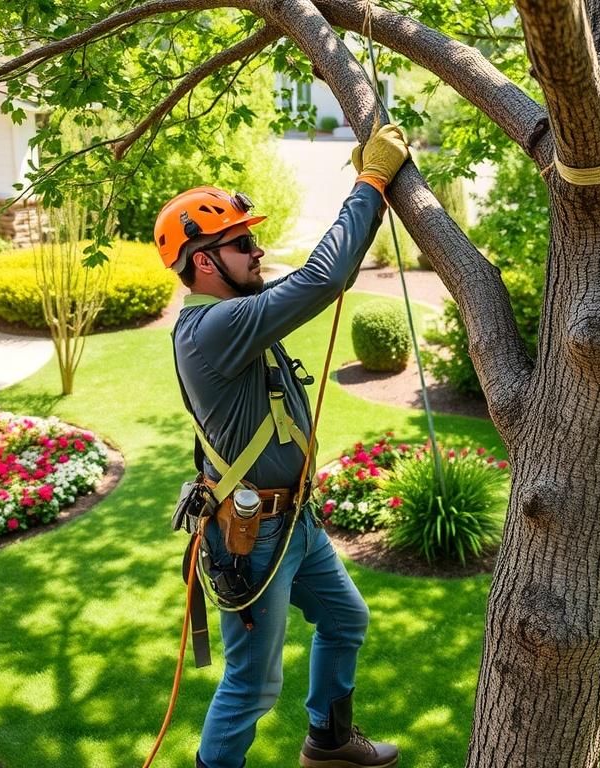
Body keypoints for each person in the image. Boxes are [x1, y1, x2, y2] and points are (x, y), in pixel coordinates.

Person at [154, 123, 409, 768]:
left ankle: (328, 740)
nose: (257, 248)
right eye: (241, 243)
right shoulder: (214, 328)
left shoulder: (240, 309)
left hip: (292, 518)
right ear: (204, 262)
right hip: (250, 534)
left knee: (346, 619)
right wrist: (370, 183)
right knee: (252, 686)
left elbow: (322, 275)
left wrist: (368, 199)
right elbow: (324, 279)